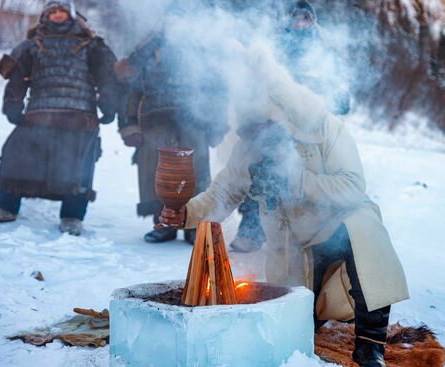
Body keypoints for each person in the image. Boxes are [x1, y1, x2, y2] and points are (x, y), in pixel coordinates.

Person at [160, 46, 409, 367]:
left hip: (339, 227)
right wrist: (184, 215)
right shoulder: (248, 149)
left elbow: (352, 187)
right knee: (295, 322)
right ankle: (315, 313)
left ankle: (370, 345)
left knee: (365, 227)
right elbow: (220, 195)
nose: (261, 137)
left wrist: (296, 182)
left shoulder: (325, 129)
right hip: (294, 250)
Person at [0, 0, 119, 236]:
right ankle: (5, 206)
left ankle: (72, 216)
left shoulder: (93, 45)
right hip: (38, 114)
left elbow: (107, 78)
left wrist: (109, 106)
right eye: (51, 11)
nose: (56, 15)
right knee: (15, 155)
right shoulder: (32, 45)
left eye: (61, 11)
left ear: (72, 15)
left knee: (78, 166)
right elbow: (15, 76)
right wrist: (12, 105)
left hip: (80, 116)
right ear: (45, 16)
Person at [230, 0, 351, 253]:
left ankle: (313, 237)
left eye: (305, 18)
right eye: (295, 17)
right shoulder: (275, 48)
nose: (300, 22)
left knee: (313, 178)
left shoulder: (325, 51)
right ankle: (251, 231)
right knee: (263, 170)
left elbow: (340, 92)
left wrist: (334, 99)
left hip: (312, 127)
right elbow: (255, 86)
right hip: (277, 125)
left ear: (312, 21)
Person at [116, 7, 229, 245]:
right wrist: (129, 125)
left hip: (194, 119)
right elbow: (130, 90)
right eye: (172, 20)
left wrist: (217, 123)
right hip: (155, 121)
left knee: (195, 173)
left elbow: (217, 90)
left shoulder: (201, 52)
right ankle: (164, 223)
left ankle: (193, 226)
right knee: (159, 174)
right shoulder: (146, 52)